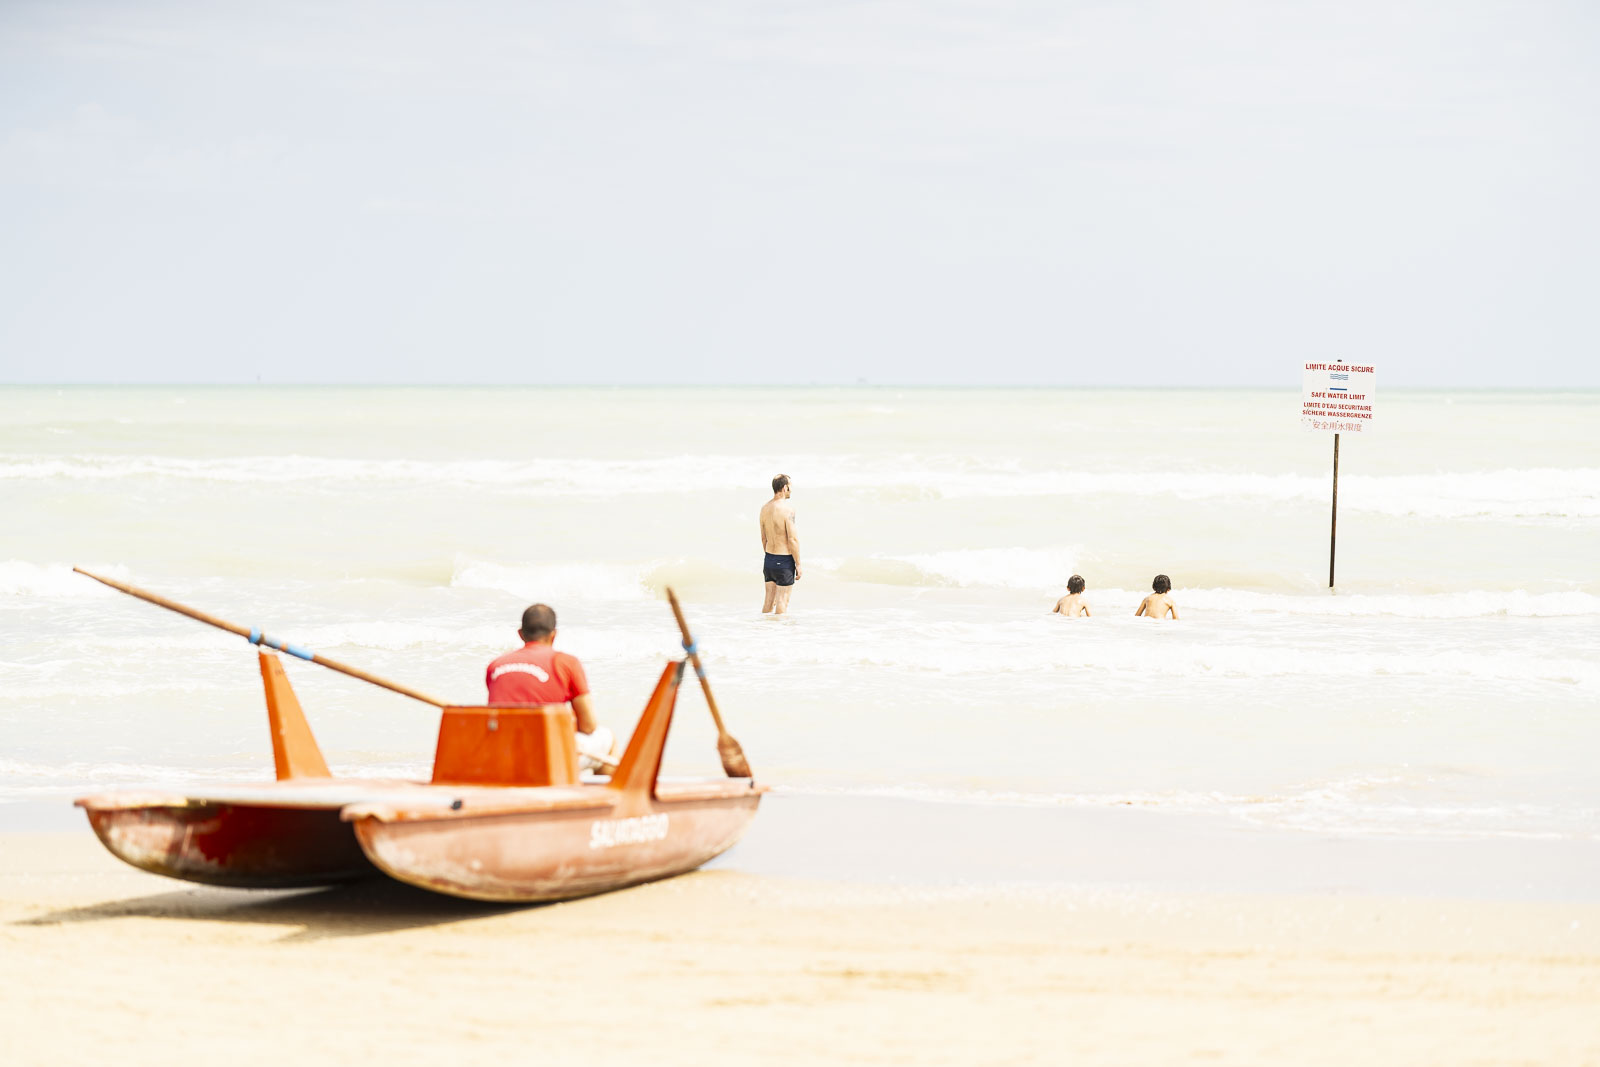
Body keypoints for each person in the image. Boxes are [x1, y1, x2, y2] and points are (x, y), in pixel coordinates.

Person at [485, 603, 614, 771]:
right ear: (554, 635)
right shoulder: (566, 663)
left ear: (520, 634)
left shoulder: (496, 665)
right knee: (608, 739)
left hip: (504, 754)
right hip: (547, 759)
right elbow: (589, 726)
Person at [759, 473, 801, 614]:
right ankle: (780, 628)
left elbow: (763, 538)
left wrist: (771, 558)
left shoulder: (764, 509)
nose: (791, 490)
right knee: (783, 601)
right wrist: (798, 564)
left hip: (769, 559)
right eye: (790, 487)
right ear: (784, 488)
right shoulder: (788, 510)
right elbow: (792, 539)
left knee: (768, 602)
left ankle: (763, 626)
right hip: (784, 561)